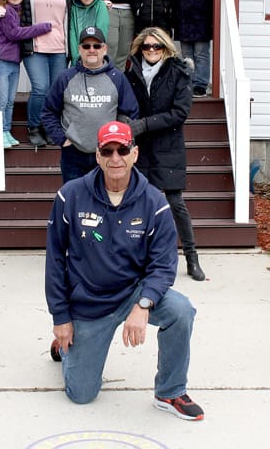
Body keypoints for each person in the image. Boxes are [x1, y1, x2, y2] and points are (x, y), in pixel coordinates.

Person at [45, 120, 204, 421]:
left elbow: (164, 264)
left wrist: (144, 304)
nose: (115, 158)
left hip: (134, 292)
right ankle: (67, 347)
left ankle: (170, 392)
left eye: (123, 150)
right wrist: (61, 317)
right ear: (97, 155)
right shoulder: (70, 196)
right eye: (108, 151)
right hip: (89, 301)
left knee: (181, 310)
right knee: (81, 394)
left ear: (135, 153)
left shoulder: (154, 202)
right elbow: (55, 260)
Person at [126, 27, 205, 281]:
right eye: (147, 46)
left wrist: (144, 124)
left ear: (165, 48)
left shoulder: (179, 72)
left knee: (175, 202)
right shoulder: (131, 73)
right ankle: (140, 259)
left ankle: (192, 257)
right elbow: (126, 105)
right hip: (141, 147)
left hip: (168, 145)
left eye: (156, 46)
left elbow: (179, 113)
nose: (151, 50)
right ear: (140, 49)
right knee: (139, 202)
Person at [41, 26, 139, 183]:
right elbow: (48, 112)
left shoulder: (117, 78)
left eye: (96, 46)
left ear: (104, 49)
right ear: (79, 49)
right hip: (73, 153)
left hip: (107, 153)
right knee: (74, 196)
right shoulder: (65, 78)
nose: (91, 50)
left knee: (105, 196)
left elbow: (131, 113)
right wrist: (62, 139)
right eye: (86, 46)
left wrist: (117, 142)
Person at [21, 0, 74, 147]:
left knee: (55, 91)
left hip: (60, 47)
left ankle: (50, 128)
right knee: (40, 88)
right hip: (34, 47)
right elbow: (15, 3)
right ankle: (34, 127)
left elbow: (80, 7)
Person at [0, 0, 52, 148]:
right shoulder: (5, 11)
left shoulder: (19, 10)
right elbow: (14, 34)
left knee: (10, 100)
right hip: (1, 62)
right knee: (2, 101)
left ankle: (7, 131)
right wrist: (42, 27)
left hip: (14, 63)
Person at [67, 0, 110, 66]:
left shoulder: (100, 6)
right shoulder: (74, 9)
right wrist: (76, 57)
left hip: (94, 54)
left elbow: (102, 32)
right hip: (78, 57)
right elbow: (72, 33)